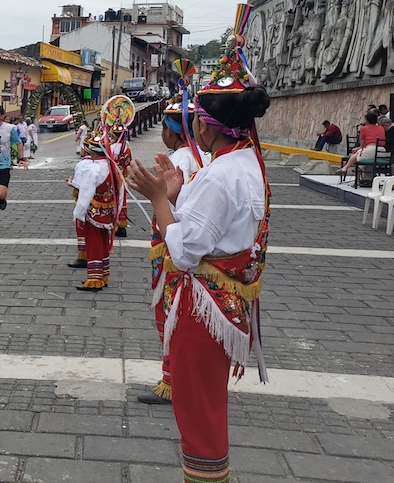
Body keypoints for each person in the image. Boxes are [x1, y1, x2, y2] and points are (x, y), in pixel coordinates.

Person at [127, 79, 272, 483]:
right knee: (205, 405)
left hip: (203, 307)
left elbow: (186, 251)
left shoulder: (219, 175)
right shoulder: (247, 161)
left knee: (198, 414)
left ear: (205, 126)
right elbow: (215, 228)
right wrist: (176, 197)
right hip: (224, 303)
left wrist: (158, 198)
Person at [134, 98, 211, 406]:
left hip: (175, 248)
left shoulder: (180, 159)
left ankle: (172, 380)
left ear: (171, 130)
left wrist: (156, 197)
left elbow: (175, 210)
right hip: (184, 246)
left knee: (170, 310)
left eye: (165, 128)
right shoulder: (202, 157)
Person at [67, 132, 121, 291]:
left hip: (93, 214)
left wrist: (78, 214)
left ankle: (94, 279)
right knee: (103, 243)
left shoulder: (93, 169)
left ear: (92, 151)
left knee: (94, 244)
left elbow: (86, 192)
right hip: (107, 213)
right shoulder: (111, 167)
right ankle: (103, 275)